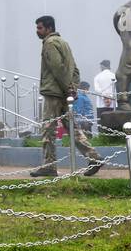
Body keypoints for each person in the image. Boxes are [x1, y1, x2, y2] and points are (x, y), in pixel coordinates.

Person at [29, 15, 104, 178]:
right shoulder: (64, 43)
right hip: (63, 94)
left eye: (40, 28)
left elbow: (57, 68)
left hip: (53, 93)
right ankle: (94, 158)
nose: (37, 31)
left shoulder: (49, 43)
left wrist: (68, 89)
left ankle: (49, 165)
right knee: (73, 128)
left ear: (49, 28)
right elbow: (74, 70)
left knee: (48, 129)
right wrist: (73, 88)